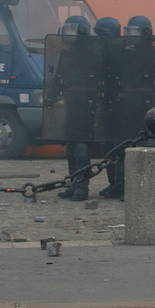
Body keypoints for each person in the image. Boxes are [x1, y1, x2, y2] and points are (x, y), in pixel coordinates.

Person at [101, 15, 155, 200]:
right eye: (129, 32)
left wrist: (136, 55)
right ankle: (119, 185)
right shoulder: (123, 50)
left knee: (139, 144)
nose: (131, 36)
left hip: (143, 102)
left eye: (135, 32)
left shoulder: (154, 53)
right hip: (126, 101)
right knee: (123, 142)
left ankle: (135, 187)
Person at [54, 15, 103, 201]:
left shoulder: (93, 51)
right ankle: (73, 183)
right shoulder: (66, 51)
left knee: (82, 146)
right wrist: (53, 94)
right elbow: (60, 75)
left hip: (86, 102)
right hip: (71, 102)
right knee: (71, 146)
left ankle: (82, 187)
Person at [92, 17, 122, 199]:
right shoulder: (98, 51)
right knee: (106, 143)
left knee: (119, 144)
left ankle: (120, 184)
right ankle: (113, 183)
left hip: (119, 104)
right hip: (105, 102)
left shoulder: (122, 51)